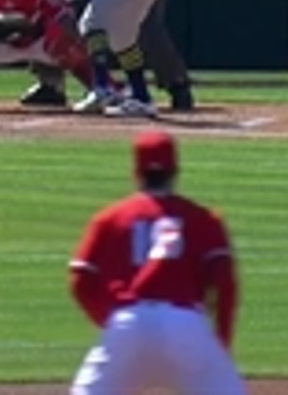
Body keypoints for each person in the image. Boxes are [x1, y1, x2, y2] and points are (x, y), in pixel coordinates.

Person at [67, 130, 243, 394]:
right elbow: (226, 284)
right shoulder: (203, 219)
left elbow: (81, 282)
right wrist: (220, 342)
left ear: (136, 171)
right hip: (186, 322)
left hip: (129, 319)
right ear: (175, 170)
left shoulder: (110, 218)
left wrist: (112, 321)